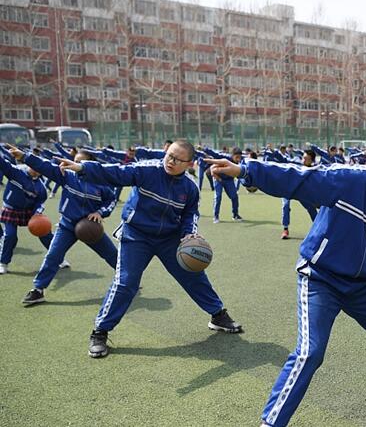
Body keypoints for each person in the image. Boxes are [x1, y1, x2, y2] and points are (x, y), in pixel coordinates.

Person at [206, 123, 366, 427]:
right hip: (320, 278)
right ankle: (271, 423)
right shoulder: (349, 180)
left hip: (362, 286)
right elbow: (299, 179)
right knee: (310, 352)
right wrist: (245, 170)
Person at [57, 140, 243, 359]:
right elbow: (116, 173)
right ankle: (100, 331)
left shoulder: (190, 187)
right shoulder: (146, 169)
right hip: (137, 234)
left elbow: (190, 213)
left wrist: (189, 233)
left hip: (169, 238)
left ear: (189, 164)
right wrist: (82, 168)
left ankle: (218, 315)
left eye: (177, 159)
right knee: (126, 282)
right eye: (169, 155)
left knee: (193, 275)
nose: (170, 161)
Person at [8, 147, 118, 305]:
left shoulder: (102, 183)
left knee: (111, 254)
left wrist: (100, 212)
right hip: (67, 225)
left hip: (89, 227)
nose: (76, 164)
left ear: (91, 165)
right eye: (75, 160)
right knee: (53, 255)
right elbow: (44, 166)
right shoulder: (67, 175)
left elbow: (111, 200)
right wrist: (25, 157)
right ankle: (38, 290)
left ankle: (128, 281)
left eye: (81, 162)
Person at [0, 149, 55, 274]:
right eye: (34, 167)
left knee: (45, 232)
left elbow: (39, 203)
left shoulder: (41, 188)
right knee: (10, 236)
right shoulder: (16, 172)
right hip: (11, 209)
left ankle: (58, 259)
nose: (36, 170)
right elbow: (3, 163)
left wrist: (37, 213)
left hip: (29, 211)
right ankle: (3, 263)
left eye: (39, 169)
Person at [203, 146, 243, 223]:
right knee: (218, 197)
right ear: (232, 156)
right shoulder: (225, 158)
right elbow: (215, 155)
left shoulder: (241, 161)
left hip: (229, 180)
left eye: (240, 157)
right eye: (237, 157)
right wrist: (206, 149)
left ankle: (235, 215)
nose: (238, 159)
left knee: (234, 196)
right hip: (218, 178)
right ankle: (216, 216)